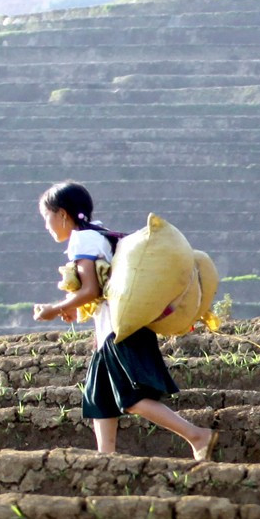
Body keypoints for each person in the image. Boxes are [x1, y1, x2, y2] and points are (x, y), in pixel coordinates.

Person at [33, 181, 216, 461]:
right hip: (111, 333)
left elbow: (91, 290)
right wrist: (74, 307)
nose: (46, 226)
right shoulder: (99, 235)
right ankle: (106, 458)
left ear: (62, 214)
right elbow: (99, 290)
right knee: (100, 401)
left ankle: (196, 435)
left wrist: (54, 309)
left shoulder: (82, 240)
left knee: (133, 399)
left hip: (118, 334)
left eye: (46, 218)